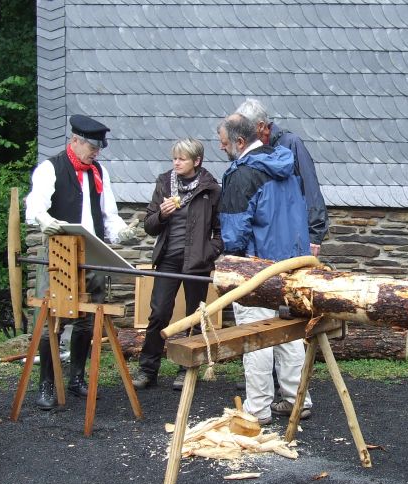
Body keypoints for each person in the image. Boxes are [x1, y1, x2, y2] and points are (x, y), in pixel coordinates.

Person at [25, 114, 138, 410]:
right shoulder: (51, 168)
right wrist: (44, 220)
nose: (95, 153)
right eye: (92, 147)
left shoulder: (98, 171)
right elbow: (36, 205)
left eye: (98, 148)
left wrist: (123, 232)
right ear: (75, 140)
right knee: (53, 319)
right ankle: (47, 384)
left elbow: (107, 215)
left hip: (92, 255)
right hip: (59, 254)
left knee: (88, 322)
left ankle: (76, 378)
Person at [217, 113, 313, 425]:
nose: (222, 149)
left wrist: (229, 264)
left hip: (255, 270)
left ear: (240, 142)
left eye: (224, 144)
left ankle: (257, 410)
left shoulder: (242, 174)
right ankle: (297, 399)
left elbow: (233, 234)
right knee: (289, 335)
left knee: (256, 338)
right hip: (291, 266)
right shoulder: (286, 164)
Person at [131, 138, 223, 390]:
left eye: (182, 158)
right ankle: (148, 370)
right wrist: (161, 214)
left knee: (193, 316)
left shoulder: (211, 189)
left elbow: (220, 231)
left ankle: (187, 369)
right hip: (168, 260)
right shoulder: (164, 183)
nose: (177, 162)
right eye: (175, 158)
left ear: (197, 161)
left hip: (197, 263)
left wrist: (209, 252)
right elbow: (149, 225)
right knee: (159, 312)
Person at [235, 98, 329, 256]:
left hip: (293, 237)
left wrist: (315, 236)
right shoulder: (247, 148)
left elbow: (310, 189)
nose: (241, 133)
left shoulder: (291, 143)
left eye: (245, 128)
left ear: (261, 126)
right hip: (264, 238)